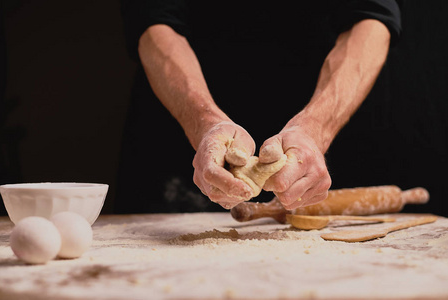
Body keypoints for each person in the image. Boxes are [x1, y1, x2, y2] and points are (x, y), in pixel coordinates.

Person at [117, 0, 401, 213]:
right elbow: (154, 21)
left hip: (328, 110)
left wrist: (315, 128)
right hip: (182, 124)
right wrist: (205, 122)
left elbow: (371, 17)